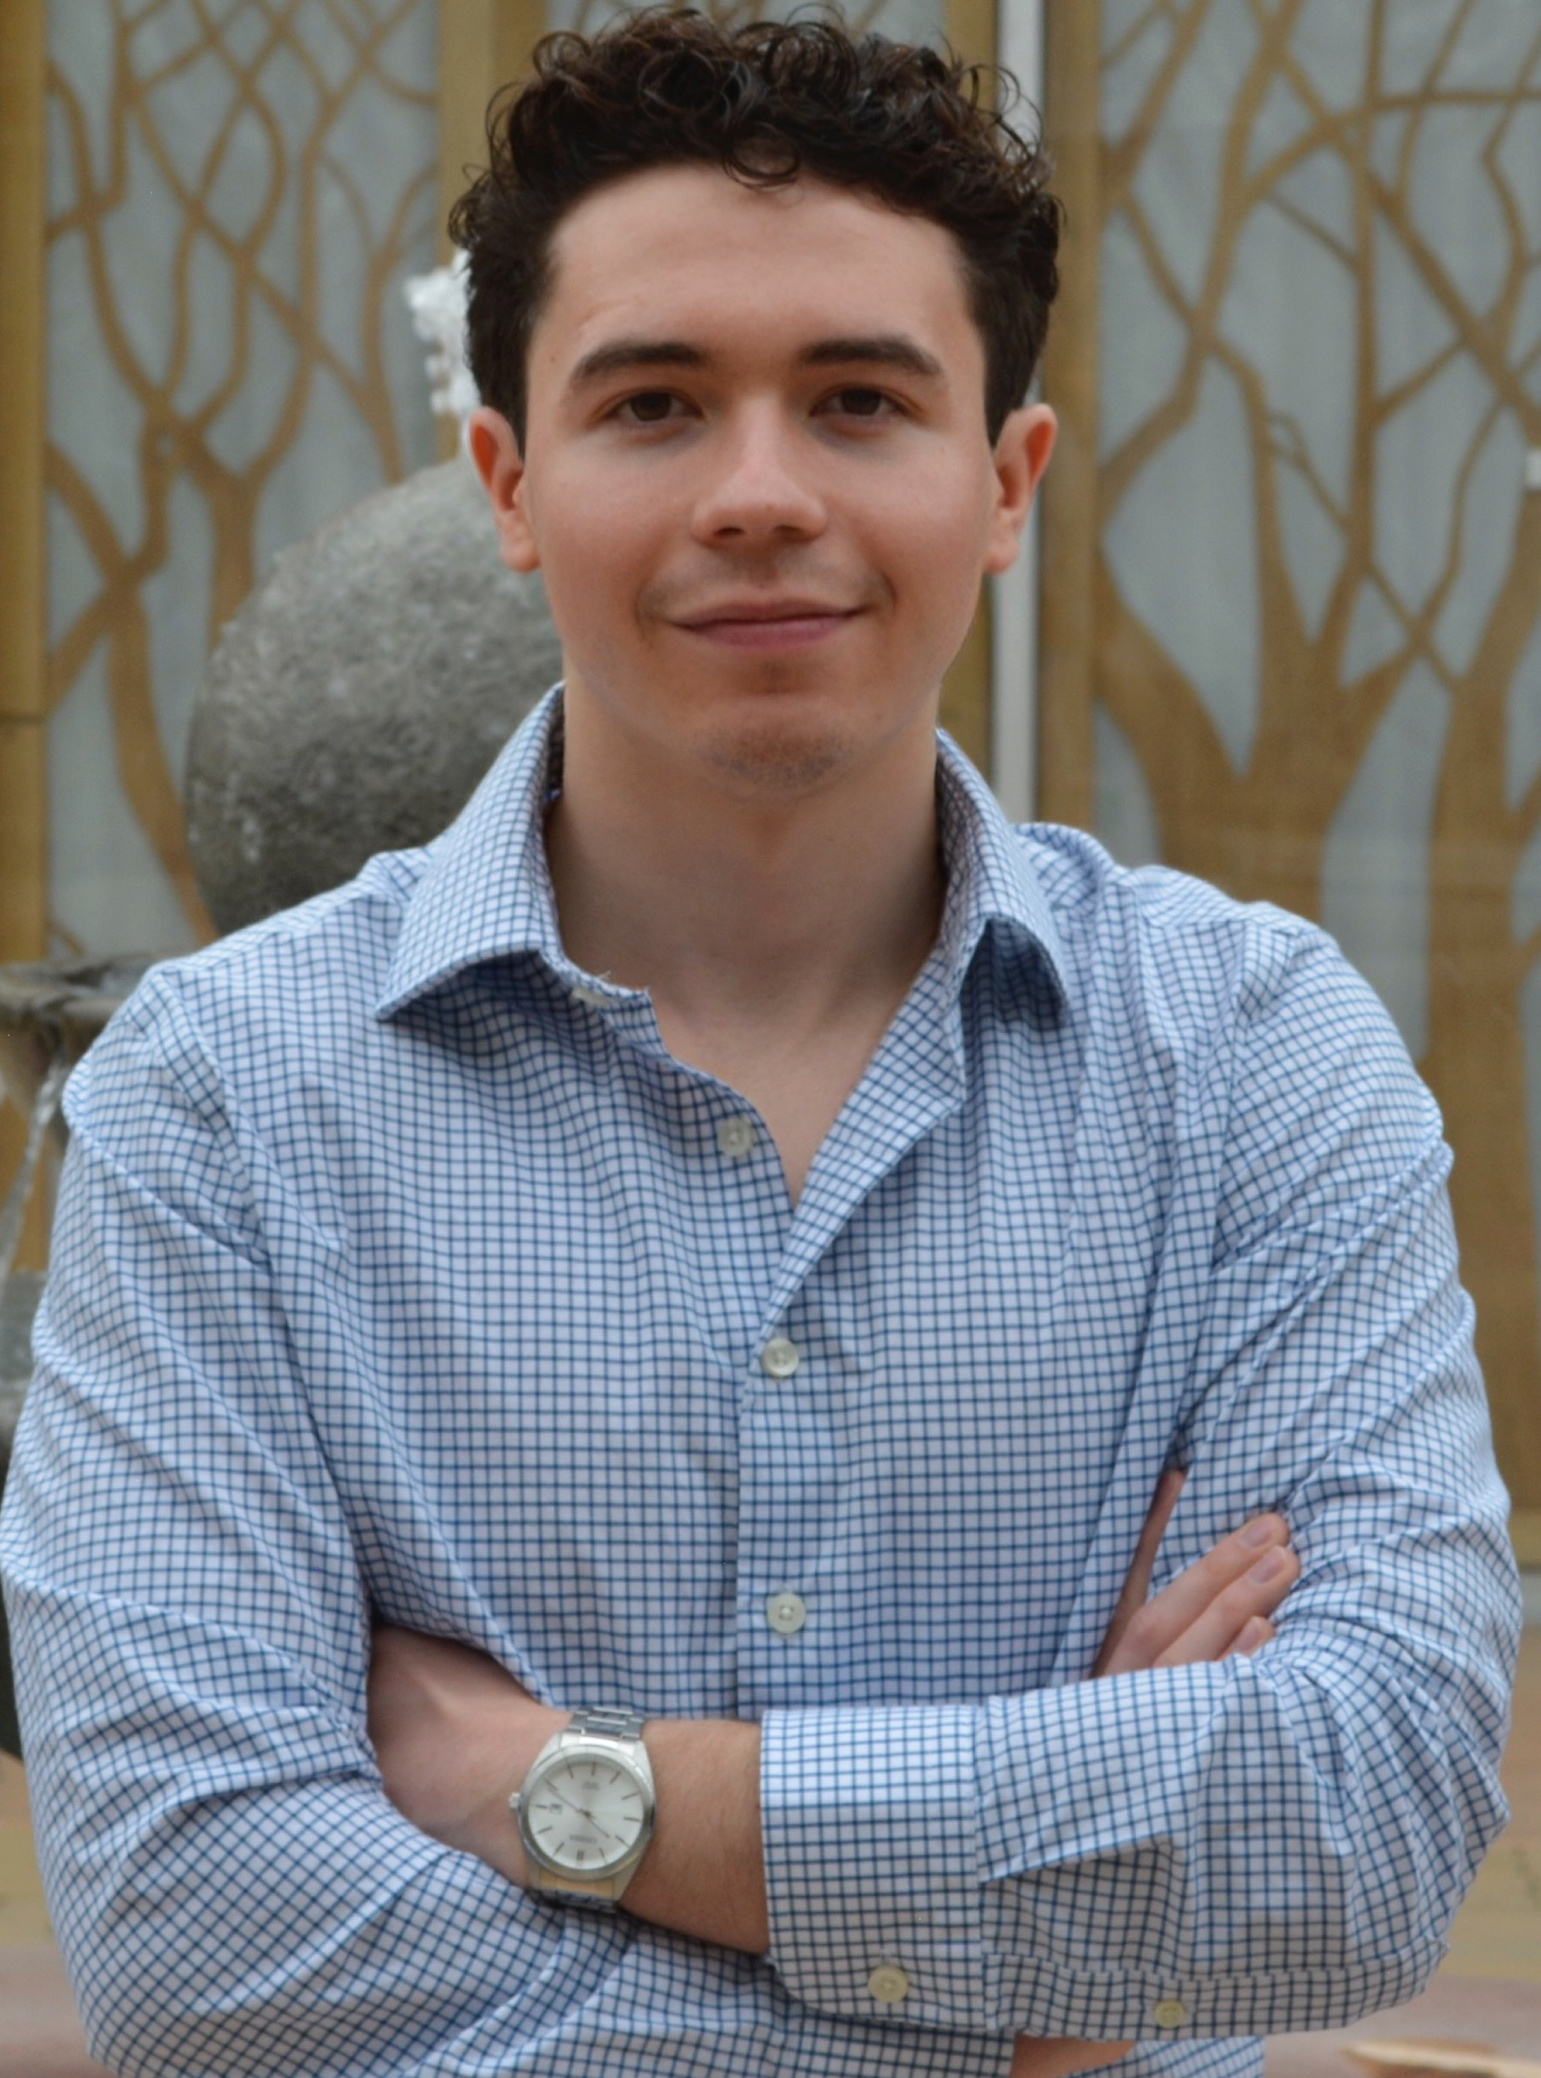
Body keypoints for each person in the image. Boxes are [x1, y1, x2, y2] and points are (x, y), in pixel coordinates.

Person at [0, 12, 1520, 2077]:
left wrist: (574, 1793)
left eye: (859, 400)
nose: (760, 494)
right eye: (653, 405)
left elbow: (1368, 1816)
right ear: (510, 483)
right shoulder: (220, 1098)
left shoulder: (1253, 1059)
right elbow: (201, 1938)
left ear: (1005, 481)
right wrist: (1031, 2018)